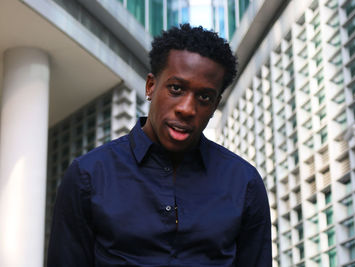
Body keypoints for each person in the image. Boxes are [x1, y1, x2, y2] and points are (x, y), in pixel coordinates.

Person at [47, 24, 271, 267]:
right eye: (176, 88)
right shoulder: (87, 176)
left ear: (215, 104)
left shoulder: (244, 183)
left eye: (204, 97)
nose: (187, 108)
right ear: (150, 86)